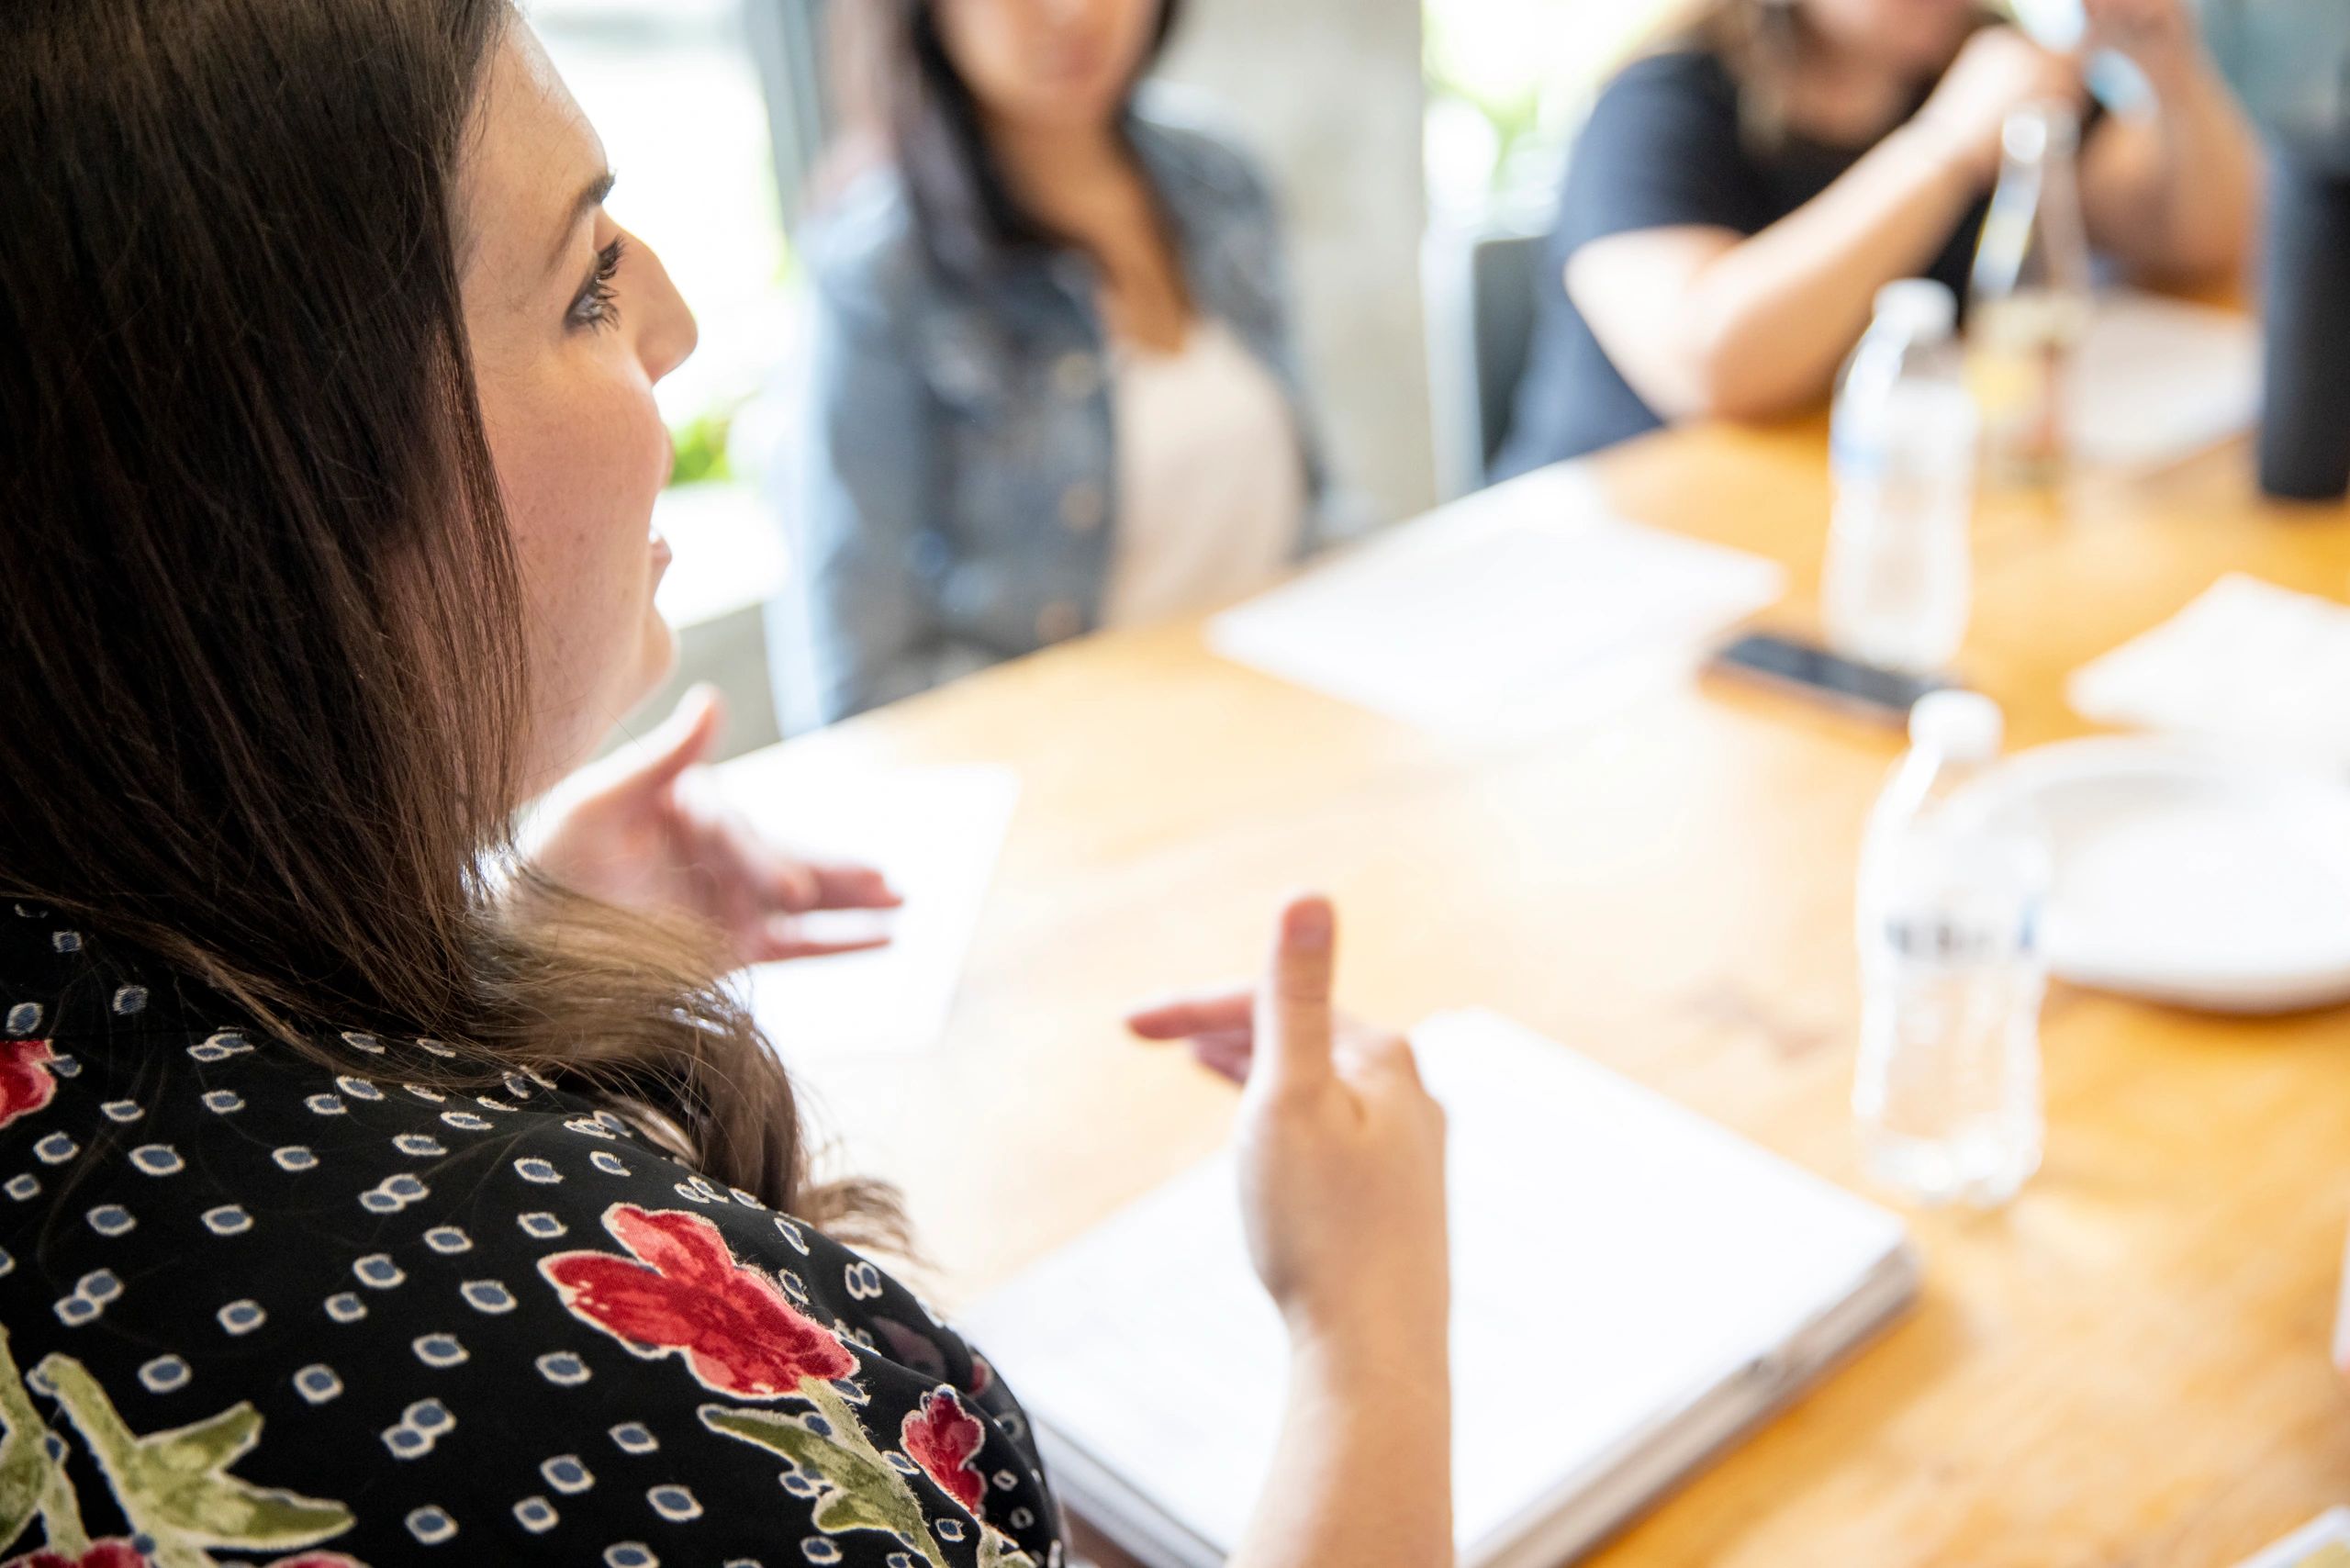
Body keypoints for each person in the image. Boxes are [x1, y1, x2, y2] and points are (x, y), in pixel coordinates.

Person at [0, 4, 1451, 1565]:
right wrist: (1368, 1331)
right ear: (260, 492)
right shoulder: (564, 1387)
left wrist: (511, 926)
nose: (676, 321)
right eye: (585, 284)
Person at [771, 0, 1344, 728]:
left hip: (1289, 714)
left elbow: (1316, 504)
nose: (1072, 12)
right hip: (1079, 776)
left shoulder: (1219, 177)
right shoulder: (881, 274)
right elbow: (853, 689)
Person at [1492, 0, 2261, 476]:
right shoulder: (1664, 101)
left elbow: (2202, 242)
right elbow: (1712, 365)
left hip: (1877, 502)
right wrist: (1945, 146)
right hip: (1635, 542)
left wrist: (2175, 79)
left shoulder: (1979, 52)